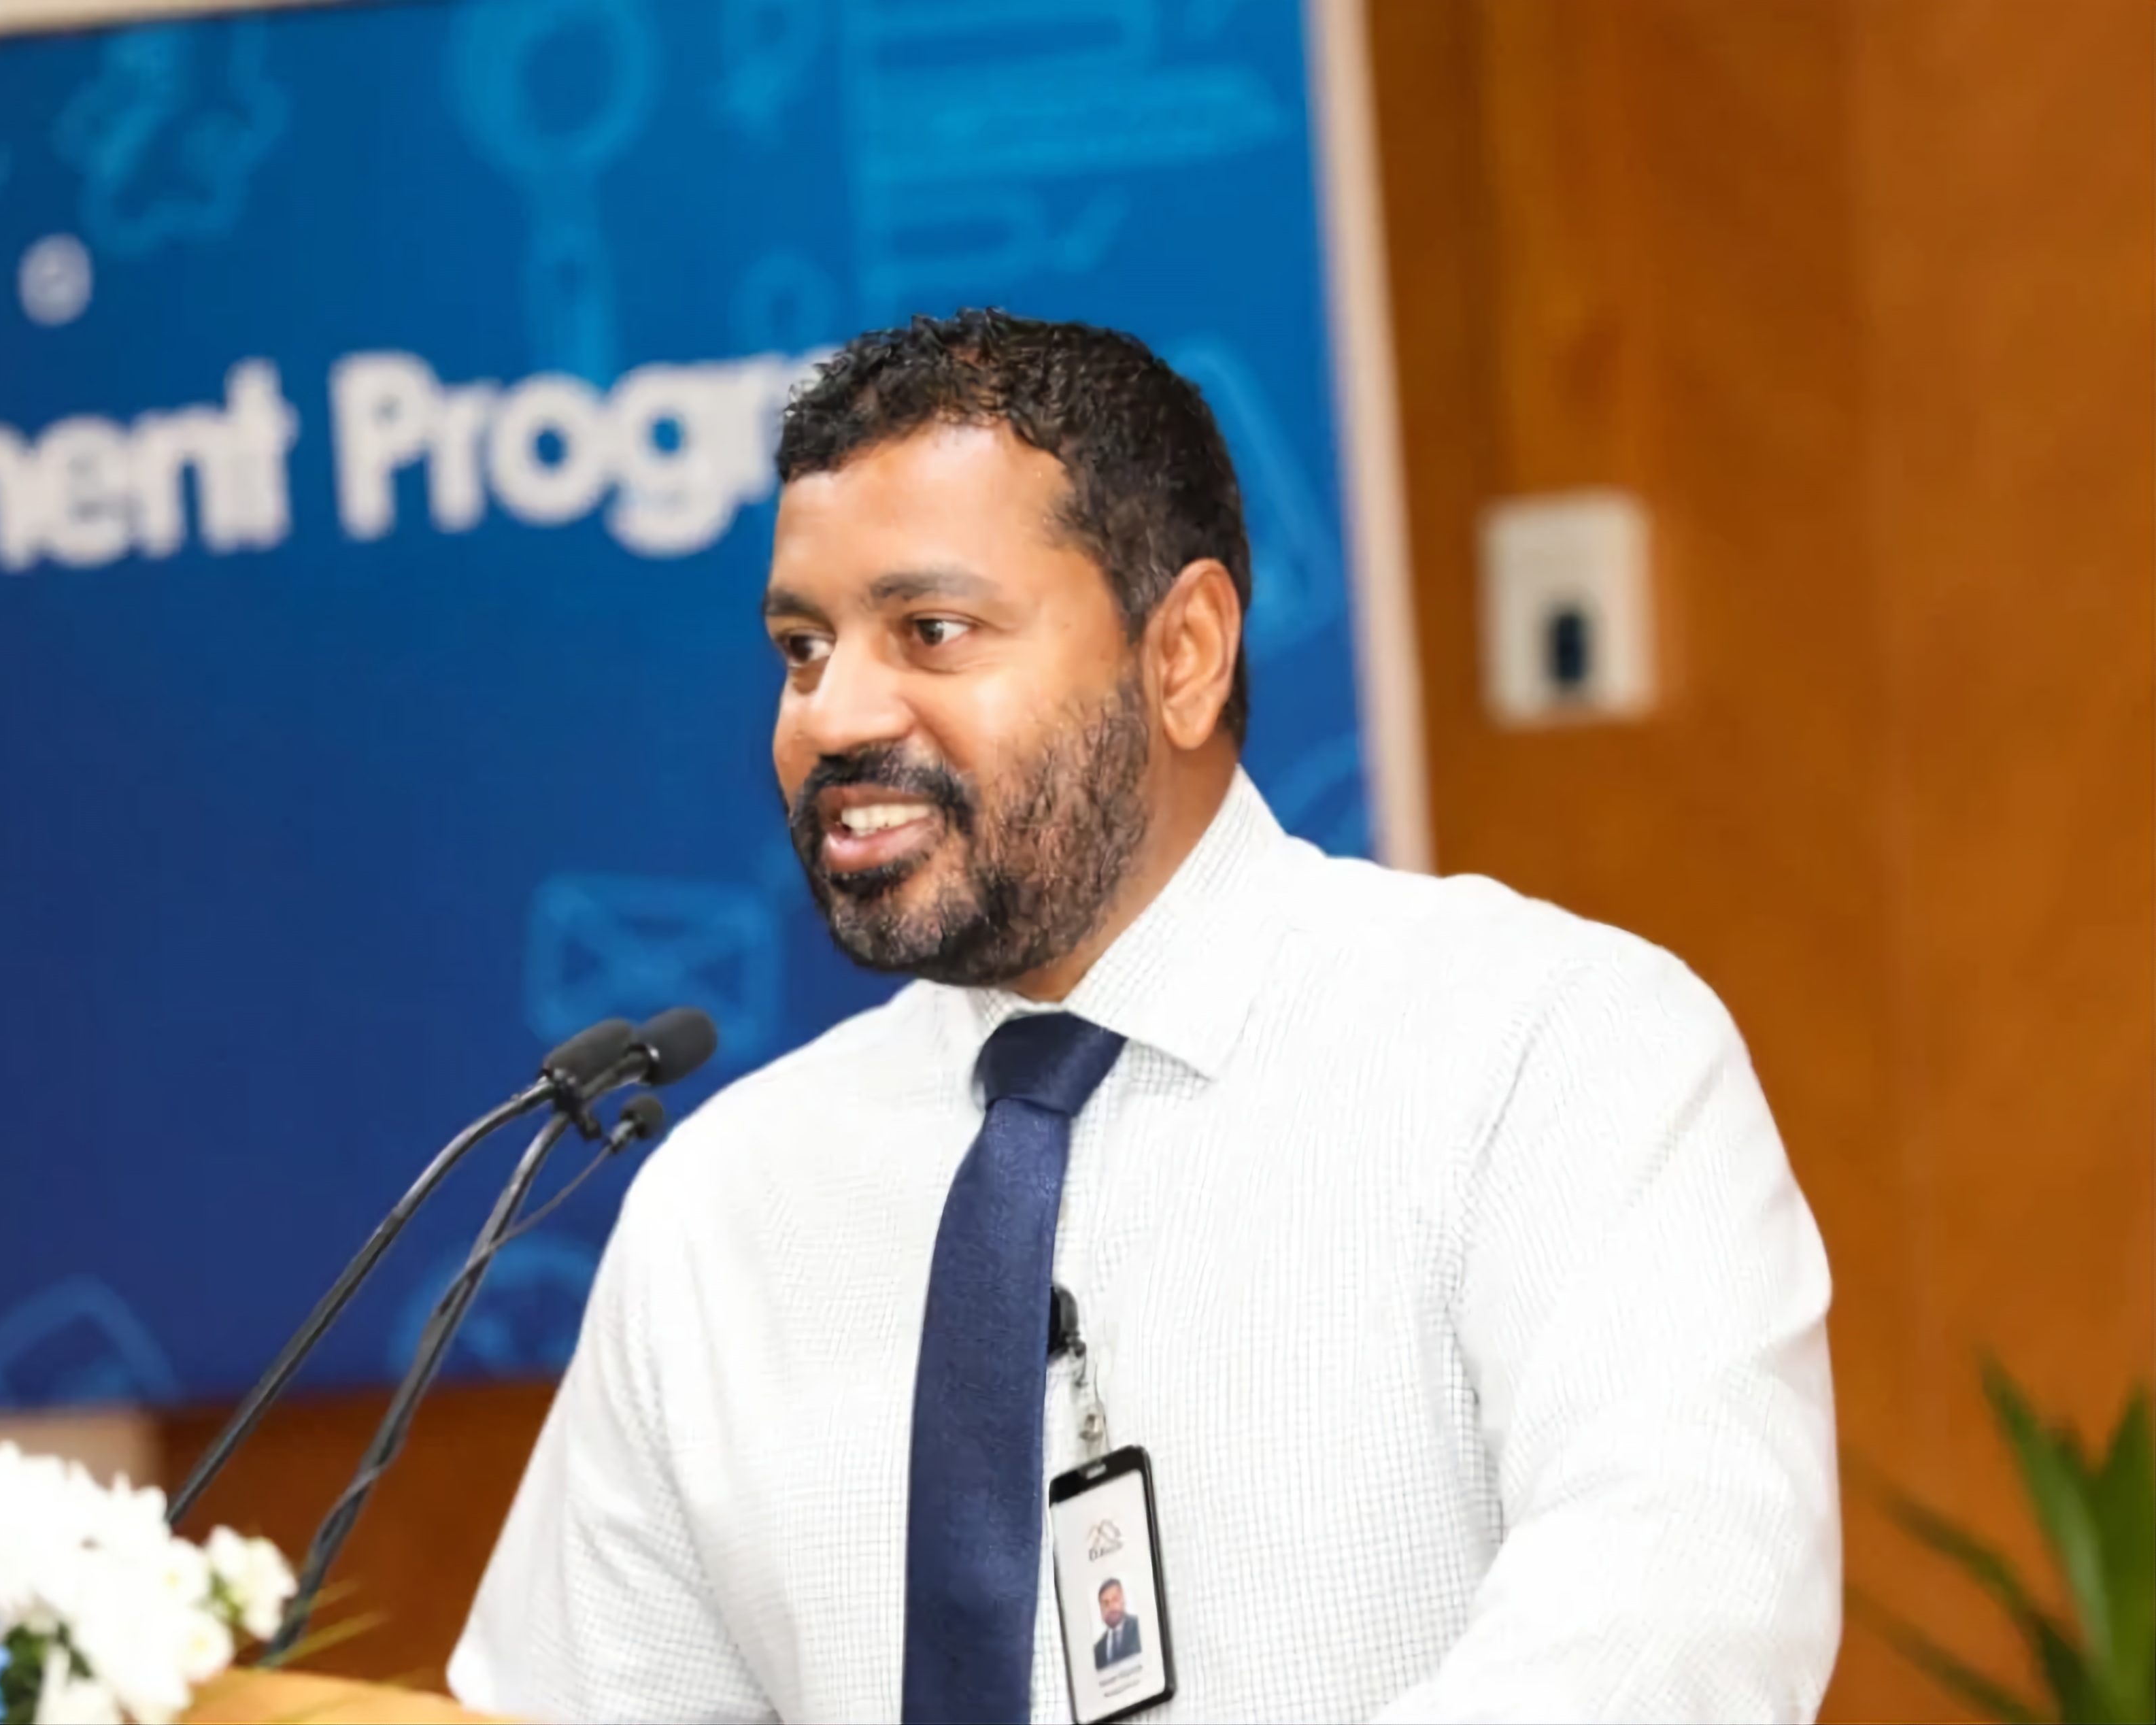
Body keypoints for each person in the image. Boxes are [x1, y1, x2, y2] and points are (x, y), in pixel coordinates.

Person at [449, 310, 1840, 1723]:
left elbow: (1672, 1638)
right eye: (803, 647)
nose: (833, 715)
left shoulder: (1550, 1052)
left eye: (931, 631)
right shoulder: (720, 1205)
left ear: (1181, 653)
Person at [1093, 1581, 1141, 1671]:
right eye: (1106, 1603)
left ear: (1123, 1601)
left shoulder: (1139, 1629)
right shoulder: (1098, 1649)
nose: (1111, 1607)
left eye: (1115, 1600)